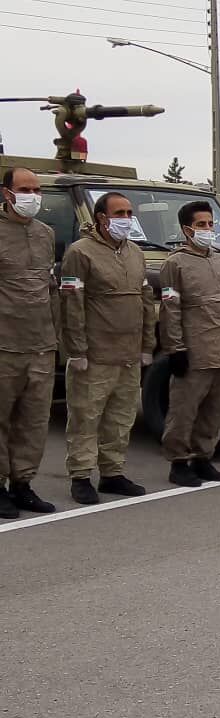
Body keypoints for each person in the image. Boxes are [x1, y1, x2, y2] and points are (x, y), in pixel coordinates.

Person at [60, 192, 157, 505]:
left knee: (120, 418)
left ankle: (112, 473)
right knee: (85, 418)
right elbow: (71, 305)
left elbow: (145, 302)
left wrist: (147, 345)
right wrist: (77, 351)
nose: (126, 219)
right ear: (101, 218)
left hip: (128, 354)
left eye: (129, 213)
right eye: (119, 213)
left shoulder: (136, 254)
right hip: (95, 355)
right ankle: (81, 476)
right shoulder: (81, 252)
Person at [159, 201, 220, 486]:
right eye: (201, 225)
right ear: (187, 229)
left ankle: (202, 457)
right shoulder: (176, 263)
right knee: (184, 409)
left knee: (214, 409)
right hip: (194, 348)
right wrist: (175, 349)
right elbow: (170, 308)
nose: (207, 229)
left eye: (210, 224)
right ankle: (178, 461)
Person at [0, 167, 58, 518]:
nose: (33, 196)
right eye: (25, 188)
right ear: (6, 193)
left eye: (37, 189)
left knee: (34, 421)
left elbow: (48, 288)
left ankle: (23, 484)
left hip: (41, 344)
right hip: (5, 344)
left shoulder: (45, 233)